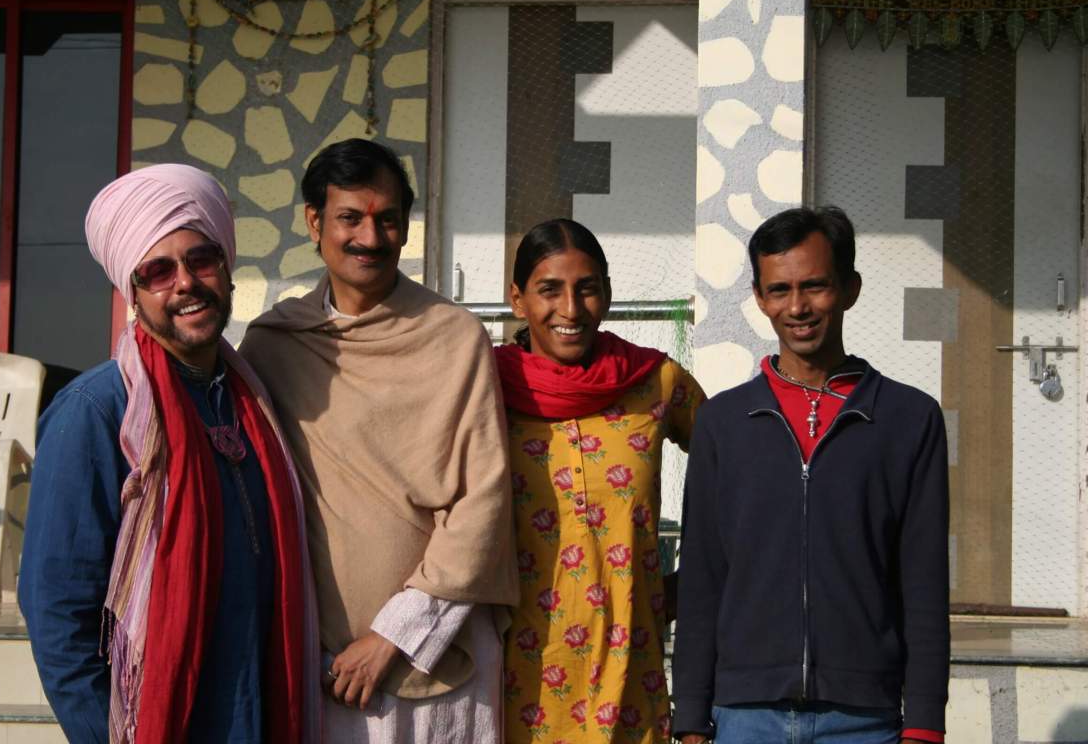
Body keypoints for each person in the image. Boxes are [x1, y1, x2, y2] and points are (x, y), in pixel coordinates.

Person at [18, 164, 320, 743]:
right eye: (158, 271)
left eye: (201, 259)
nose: (185, 282)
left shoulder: (252, 403)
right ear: (132, 293)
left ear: (228, 271)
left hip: (257, 712)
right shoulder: (99, 412)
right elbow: (59, 615)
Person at [239, 137, 519, 743]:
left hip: (434, 648)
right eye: (350, 218)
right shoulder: (274, 345)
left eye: (387, 219)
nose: (370, 237)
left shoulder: (453, 337)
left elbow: (483, 499)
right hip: (314, 654)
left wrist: (394, 633)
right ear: (314, 221)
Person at [673, 207, 950, 744]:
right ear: (758, 297)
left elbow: (923, 581)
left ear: (850, 288)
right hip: (742, 717)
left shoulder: (909, 419)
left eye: (815, 286)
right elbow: (703, 576)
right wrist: (690, 717)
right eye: (779, 290)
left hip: (865, 721)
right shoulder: (723, 423)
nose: (796, 307)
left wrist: (924, 722)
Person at [494, 218, 706, 743]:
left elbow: (746, 472)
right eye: (550, 290)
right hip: (516, 672)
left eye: (587, 288)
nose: (570, 309)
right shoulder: (486, 387)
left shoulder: (656, 382)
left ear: (607, 294)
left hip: (630, 669)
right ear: (518, 300)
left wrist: (700, 578)